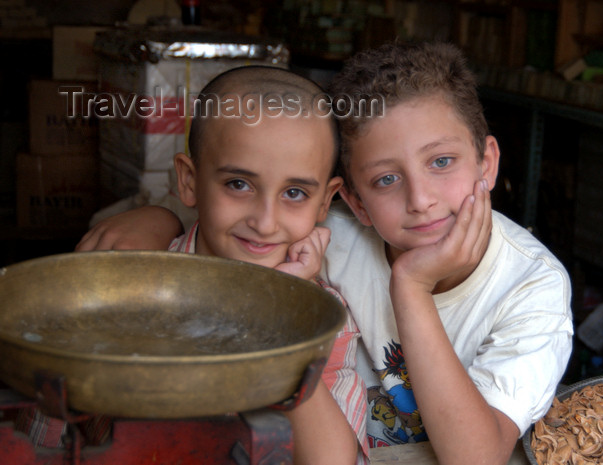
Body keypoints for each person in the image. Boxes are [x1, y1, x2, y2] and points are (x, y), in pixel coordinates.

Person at [77, 42, 574, 465]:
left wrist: (412, 285)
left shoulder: (532, 287)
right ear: (351, 201)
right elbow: (235, 209)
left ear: (487, 163)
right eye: (386, 179)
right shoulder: (326, 231)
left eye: (442, 162)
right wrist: (154, 218)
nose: (420, 199)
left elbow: (476, 458)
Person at [36, 66, 370, 465]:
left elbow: (333, 462)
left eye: (294, 192)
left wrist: (281, 322)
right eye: (238, 184)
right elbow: (45, 438)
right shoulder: (125, 288)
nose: (264, 221)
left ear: (324, 201)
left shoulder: (324, 321)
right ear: (189, 181)